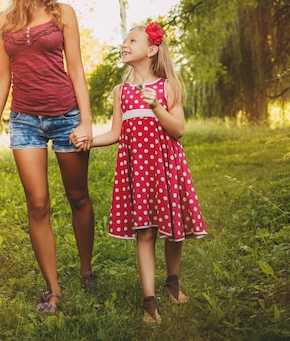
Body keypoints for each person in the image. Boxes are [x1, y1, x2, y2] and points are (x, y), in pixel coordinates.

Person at [0, 0, 96, 313]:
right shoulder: (2, 22)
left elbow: (76, 69)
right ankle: (54, 290)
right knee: (37, 204)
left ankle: (85, 269)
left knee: (77, 196)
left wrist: (87, 119)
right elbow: (3, 77)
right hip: (25, 121)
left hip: (66, 115)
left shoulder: (64, 13)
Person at [72, 22, 207, 324]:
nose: (124, 44)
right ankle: (150, 302)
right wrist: (90, 139)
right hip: (139, 172)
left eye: (132, 40)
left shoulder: (167, 87)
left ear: (152, 49)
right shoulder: (122, 92)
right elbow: (116, 133)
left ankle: (172, 282)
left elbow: (179, 130)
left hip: (166, 167)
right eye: (124, 40)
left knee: (174, 228)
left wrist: (158, 107)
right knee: (144, 232)